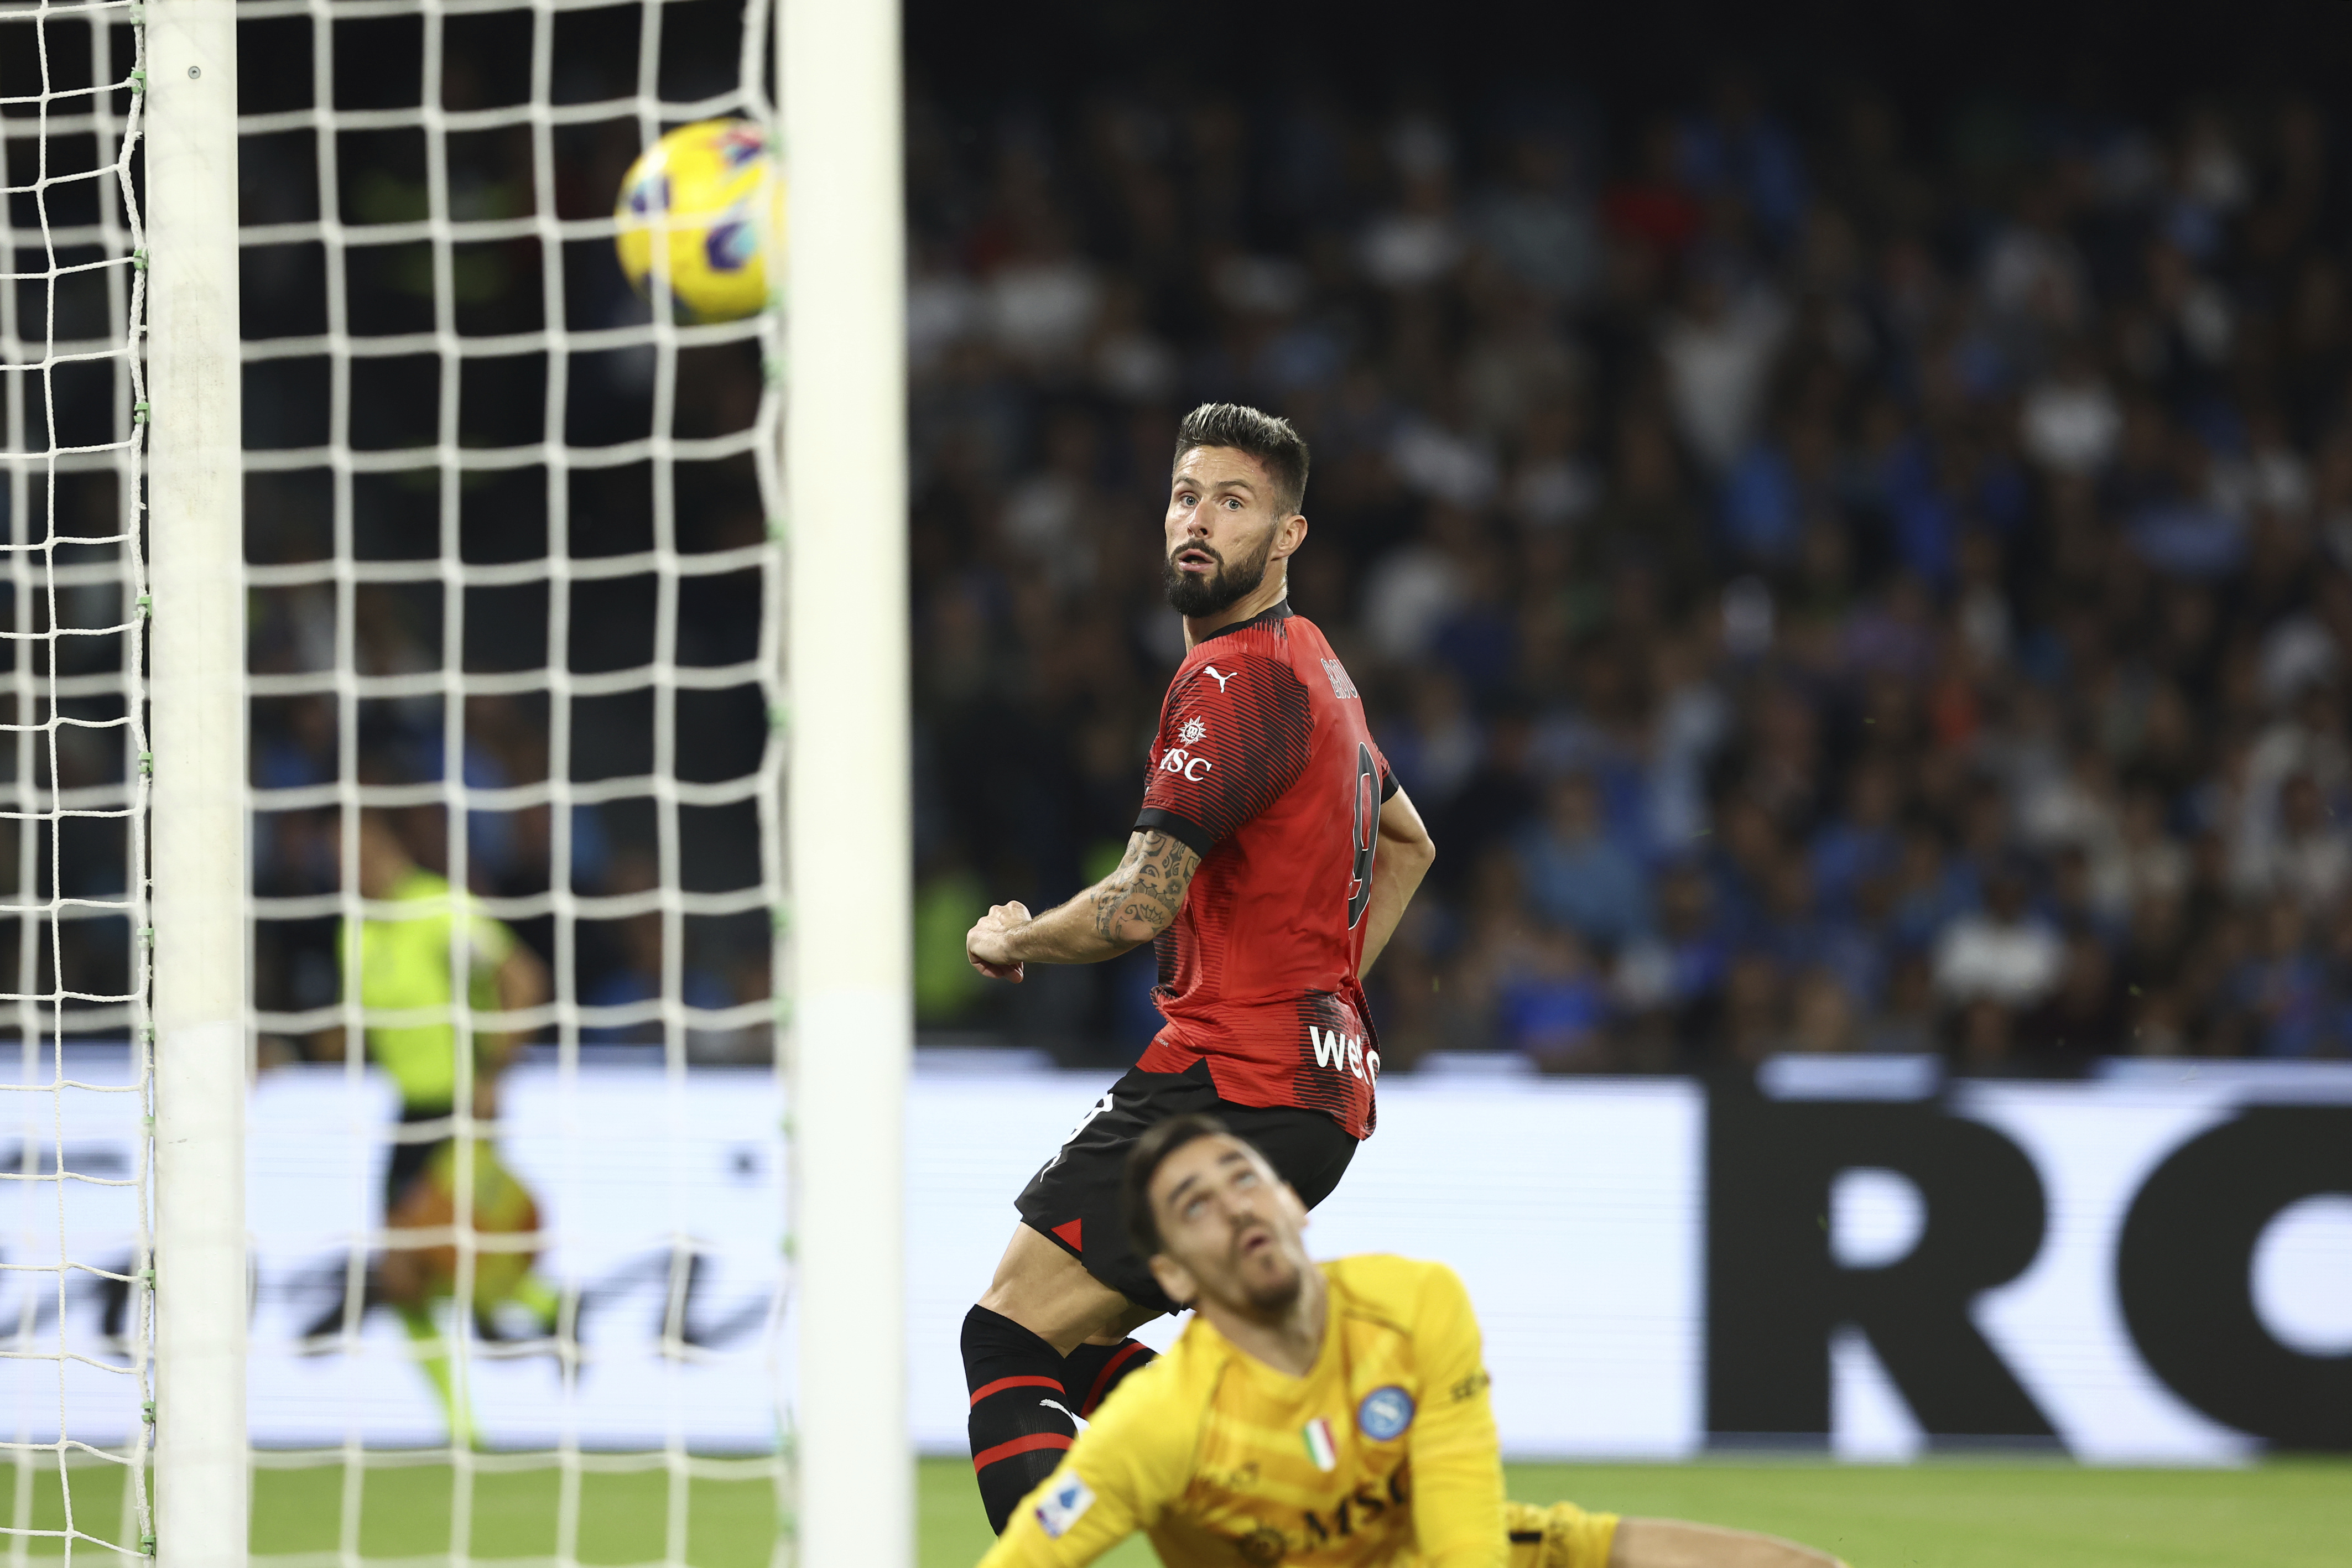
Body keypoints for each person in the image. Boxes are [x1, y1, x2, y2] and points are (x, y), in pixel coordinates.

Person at [961, 403, 1439, 1530]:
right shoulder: (1317, 669)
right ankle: (1294, 1477)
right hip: (1314, 1088)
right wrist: (1326, 991)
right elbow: (1411, 842)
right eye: (1186, 494)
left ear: (1287, 537)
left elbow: (1136, 905)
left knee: (1006, 1332)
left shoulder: (1233, 684)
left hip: (1230, 1079)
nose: (1198, 519)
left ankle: (1292, 1488)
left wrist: (1014, 935)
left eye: (1234, 502)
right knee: (1067, 1345)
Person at [977, 1114, 1848, 1568]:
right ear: (1171, 1274)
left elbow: (1466, 1541)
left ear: (1291, 1200)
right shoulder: (1160, 1425)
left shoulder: (1416, 1302)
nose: (1236, 1202)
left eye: (1243, 1176)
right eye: (1196, 1204)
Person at [306, 804, 558, 1444]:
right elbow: (357, 1030)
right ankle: (537, 1325)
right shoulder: (356, 933)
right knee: (414, 1279)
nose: (348, 867)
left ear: (391, 845)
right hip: (408, 1112)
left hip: (461, 1106)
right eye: (337, 857)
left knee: (416, 1262)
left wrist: (496, 1072)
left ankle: (472, 1413)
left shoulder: (441, 910)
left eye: (358, 849)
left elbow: (522, 977)